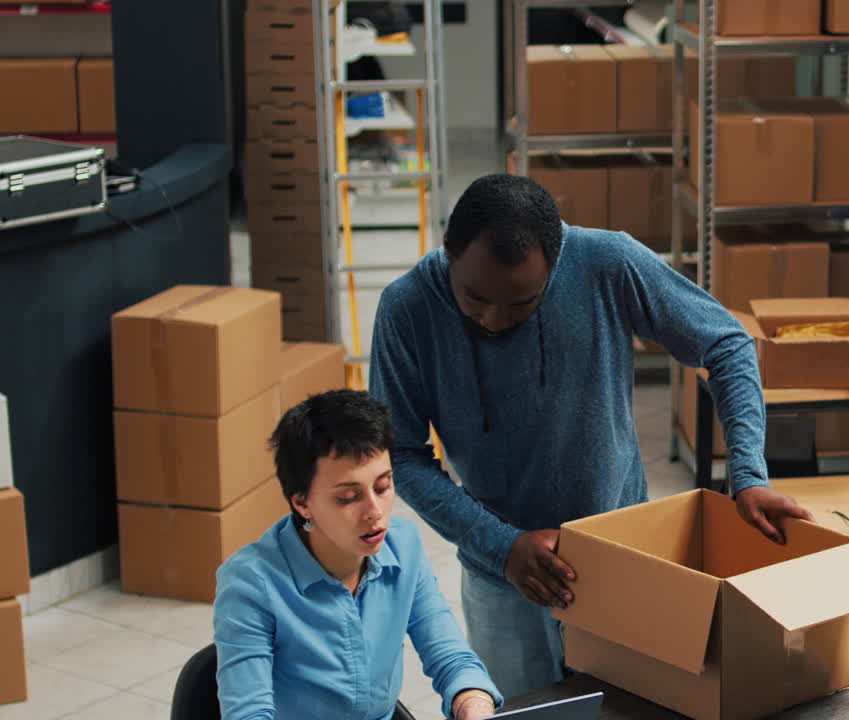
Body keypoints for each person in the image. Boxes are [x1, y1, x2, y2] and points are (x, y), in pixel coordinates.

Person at [369, 174, 812, 698]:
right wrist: (503, 547)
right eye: (475, 298)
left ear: (556, 264)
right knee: (523, 712)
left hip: (621, 557)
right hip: (503, 579)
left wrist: (748, 474)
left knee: (631, 710)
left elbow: (727, 344)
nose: (493, 320)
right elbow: (401, 452)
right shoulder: (406, 308)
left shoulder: (607, 262)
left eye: (521, 304)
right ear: (449, 250)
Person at [213, 389, 502, 720]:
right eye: (349, 498)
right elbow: (248, 713)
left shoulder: (403, 547)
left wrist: (473, 702)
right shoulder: (251, 583)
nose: (374, 512)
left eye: (383, 487)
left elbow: (451, 657)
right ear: (302, 503)